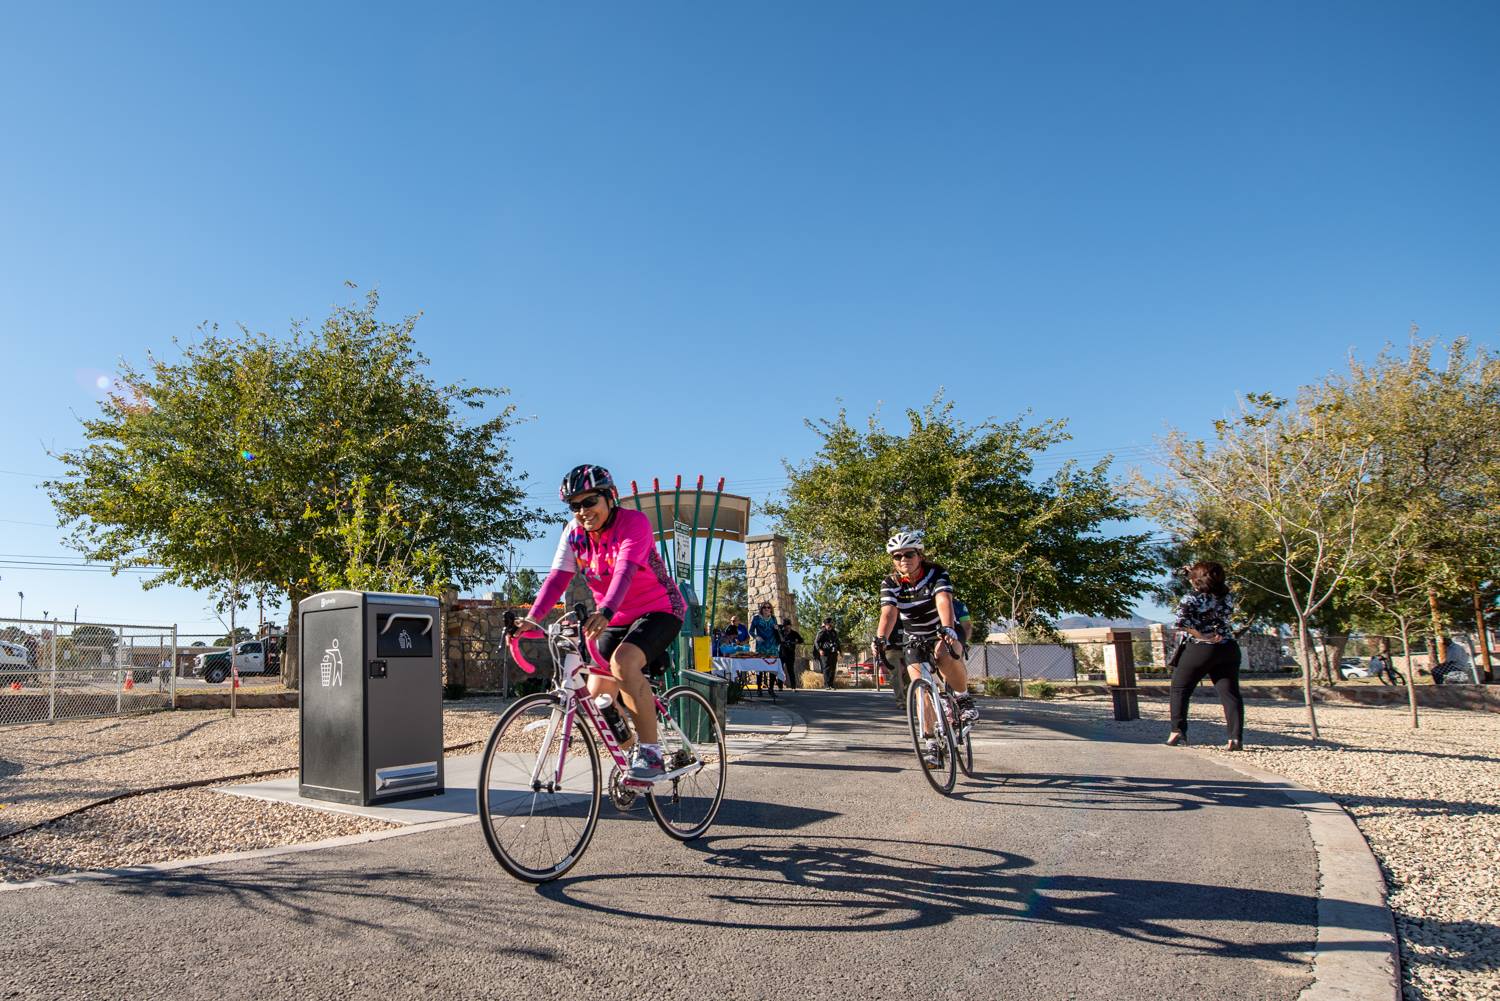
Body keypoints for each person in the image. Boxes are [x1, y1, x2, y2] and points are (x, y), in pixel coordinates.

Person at [521, 464, 686, 781]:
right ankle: (633, 758)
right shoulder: (574, 535)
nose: (582, 511)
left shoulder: (633, 523)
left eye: (589, 502)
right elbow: (557, 579)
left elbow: (624, 572)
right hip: (616, 617)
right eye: (574, 506)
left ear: (610, 497)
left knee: (623, 663)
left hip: (660, 608)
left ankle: (651, 755)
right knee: (599, 696)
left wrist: (606, 610)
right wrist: (532, 618)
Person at [871, 529, 977, 768]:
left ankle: (963, 698)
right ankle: (931, 744)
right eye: (897, 556)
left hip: (942, 626)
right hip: (915, 635)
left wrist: (948, 628)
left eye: (908, 554)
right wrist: (880, 639)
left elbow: (943, 600)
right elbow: (888, 613)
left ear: (919, 555)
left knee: (944, 653)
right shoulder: (890, 583)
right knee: (920, 688)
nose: (903, 560)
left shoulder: (936, 572)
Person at [1166, 561, 1244, 751]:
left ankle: (1177, 731)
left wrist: (1201, 635)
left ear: (1196, 580)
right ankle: (1235, 738)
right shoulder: (1226, 597)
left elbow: (1181, 622)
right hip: (1228, 647)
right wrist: (1192, 573)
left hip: (1201, 648)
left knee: (1180, 689)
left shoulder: (1190, 598)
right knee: (1230, 692)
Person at [814, 619, 841, 688]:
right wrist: (819, 650)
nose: (831, 625)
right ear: (826, 625)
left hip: (833, 652)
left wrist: (840, 651)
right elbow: (816, 642)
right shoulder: (822, 632)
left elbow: (837, 642)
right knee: (826, 668)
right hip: (825, 653)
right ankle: (827, 685)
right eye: (829, 624)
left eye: (831, 623)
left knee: (833, 668)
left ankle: (831, 684)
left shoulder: (834, 632)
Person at [779, 619, 803, 691]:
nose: (787, 627)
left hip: (790, 654)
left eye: (788, 626)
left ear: (790, 626)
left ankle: (793, 687)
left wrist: (794, 642)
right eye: (785, 626)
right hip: (782, 654)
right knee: (780, 670)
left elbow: (801, 640)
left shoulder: (794, 633)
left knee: (791, 671)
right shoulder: (781, 633)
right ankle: (780, 686)